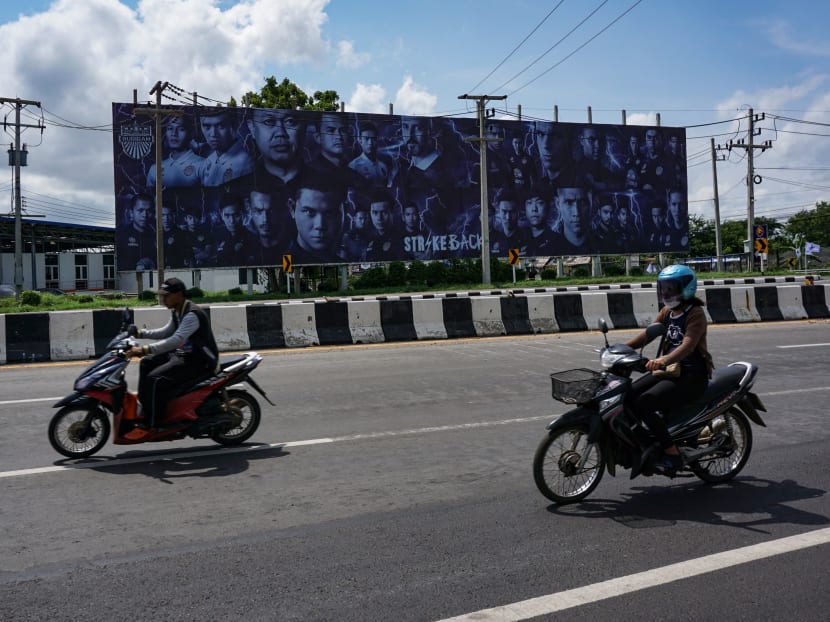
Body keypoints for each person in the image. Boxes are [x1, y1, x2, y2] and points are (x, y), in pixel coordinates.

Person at [625, 265, 713, 470]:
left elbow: (688, 345)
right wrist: (621, 348)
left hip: (691, 376)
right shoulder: (667, 311)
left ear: (686, 289)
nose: (665, 292)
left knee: (644, 403)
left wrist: (663, 360)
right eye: (663, 287)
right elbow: (648, 334)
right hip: (670, 371)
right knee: (627, 396)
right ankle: (645, 442)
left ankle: (671, 452)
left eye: (670, 288)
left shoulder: (696, 314)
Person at [126, 277, 219, 431]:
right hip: (184, 354)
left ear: (179, 294)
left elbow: (176, 339)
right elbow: (166, 332)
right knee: (146, 363)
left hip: (199, 361)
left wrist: (144, 349)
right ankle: (147, 407)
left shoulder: (191, 315)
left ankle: (156, 423)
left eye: (166, 295)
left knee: (155, 379)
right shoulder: (178, 311)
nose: (163, 299)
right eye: (162, 295)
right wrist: (139, 333)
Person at [287, 175, 347, 264]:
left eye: (330, 213)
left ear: (345, 211)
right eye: (309, 212)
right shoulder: (286, 263)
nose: (320, 225)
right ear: (292, 208)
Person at [198, 108, 253, 187]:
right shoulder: (209, 160)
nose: (213, 134)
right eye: (207, 127)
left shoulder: (245, 164)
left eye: (221, 126)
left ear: (233, 127)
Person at [147, 115, 204, 188]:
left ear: (190, 133)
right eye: (170, 128)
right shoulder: (155, 169)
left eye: (181, 129)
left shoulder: (203, 165)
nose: (174, 134)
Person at [214, 193, 257, 267]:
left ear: (242, 214)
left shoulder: (252, 239)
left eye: (236, 215)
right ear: (221, 215)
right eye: (227, 216)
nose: (232, 221)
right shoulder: (216, 236)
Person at [117, 193, 156, 271]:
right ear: (131, 213)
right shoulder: (121, 236)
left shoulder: (156, 236)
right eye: (140, 210)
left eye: (148, 211)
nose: (144, 215)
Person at [550, 185, 591, 255]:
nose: (576, 212)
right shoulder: (548, 250)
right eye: (569, 202)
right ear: (557, 203)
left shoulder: (604, 247)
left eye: (582, 202)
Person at [364, 189, 404, 262]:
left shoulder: (401, 239)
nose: (379, 218)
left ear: (392, 212)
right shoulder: (366, 239)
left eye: (384, 212)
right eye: (375, 213)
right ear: (370, 213)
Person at [348, 120, 390, 187]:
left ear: (377, 141)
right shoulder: (353, 166)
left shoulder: (383, 166)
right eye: (366, 138)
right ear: (360, 141)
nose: (370, 143)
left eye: (373, 139)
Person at [489, 187, 526, 257]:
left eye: (512, 212)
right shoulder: (492, 239)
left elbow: (514, 264)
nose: (508, 217)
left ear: (518, 212)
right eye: (504, 211)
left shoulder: (525, 238)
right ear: (499, 211)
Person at [523, 187, 556, 257]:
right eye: (529, 203)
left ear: (548, 207)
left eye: (539, 203)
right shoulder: (517, 240)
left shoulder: (557, 240)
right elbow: (513, 264)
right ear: (524, 208)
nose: (534, 209)